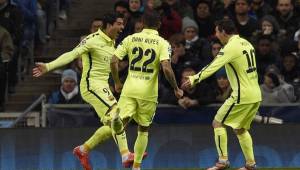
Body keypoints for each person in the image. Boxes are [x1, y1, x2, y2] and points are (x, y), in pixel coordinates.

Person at [33, 12, 126, 170]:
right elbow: (71, 54)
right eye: (119, 24)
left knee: (115, 124)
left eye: (123, 24)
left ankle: (83, 149)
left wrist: (117, 83)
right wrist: (49, 66)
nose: (122, 27)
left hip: (102, 86)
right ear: (109, 25)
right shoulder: (91, 40)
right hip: (91, 85)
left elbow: (113, 63)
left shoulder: (112, 41)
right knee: (116, 113)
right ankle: (126, 154)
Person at [182, 18, 261, 170]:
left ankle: (223, 161)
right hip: (255, 94)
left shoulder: (230, 47)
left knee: (217, 123)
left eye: (217, 31)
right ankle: (251, 164)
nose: (216, 34)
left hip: (241, 95)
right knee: (240, 129)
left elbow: (213, 66)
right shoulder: (247, 43)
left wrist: (194, 78)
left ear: (224, 31)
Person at [110, 11, 183, 170]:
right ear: (159, 25)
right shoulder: (163, 43)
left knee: (121, 122)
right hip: (148, 93)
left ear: (142, 23)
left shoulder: (130, 39)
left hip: (129, 89)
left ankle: (118, 121)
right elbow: (166, 68)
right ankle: (136, 167)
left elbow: (114, 60)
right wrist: (176, 88)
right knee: (143, 129)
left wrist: (116, 82)